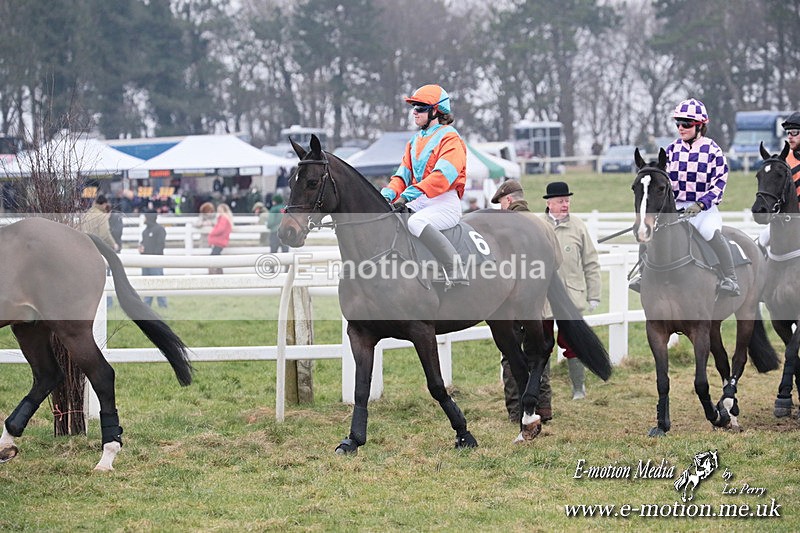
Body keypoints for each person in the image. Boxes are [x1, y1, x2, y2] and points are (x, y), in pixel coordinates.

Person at [630, 98, 738, 296]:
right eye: (678, 123)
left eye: (686, 124)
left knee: (709, 232)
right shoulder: (671, 150)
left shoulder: (713, 151)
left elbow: (719, 185)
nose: (681, 128)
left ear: (700, 125)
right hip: (676, 208)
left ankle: (730, 278)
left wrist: (700, 204)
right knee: (651, 232)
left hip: (703, 210)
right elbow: (662, 181)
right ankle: (643, 273)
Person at [380, 84, 468, 286]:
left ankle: (455, 268)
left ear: (436, 111)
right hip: (420, 201)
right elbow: (402, 176)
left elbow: (441, 177)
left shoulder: (450, 138)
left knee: (414, 222)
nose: (414, 112)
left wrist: (407, 196)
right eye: (414, 107)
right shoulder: (414, 141)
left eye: (420, 108)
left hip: (444, 203)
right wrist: (385, 195)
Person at [490, 179, 562, 422]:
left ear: (508, 200)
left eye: (501, 203)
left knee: (511, 356)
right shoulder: (543, 225)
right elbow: (558, 260)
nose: (501, 208)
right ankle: (543, 408)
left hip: (509, 302)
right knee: (539, 353)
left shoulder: (500, 227)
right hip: (540, 304)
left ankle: (517, 411)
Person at [539, 181, 601, 404]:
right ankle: (542, 388)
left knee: (573, 343)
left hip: (571, 297)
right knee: (542, 343)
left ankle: (578, 388)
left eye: (567, 200)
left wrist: (594, 294)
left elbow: (591, 262)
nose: (565, 204)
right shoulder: (537, 225)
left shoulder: (578, 226)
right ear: (549, 203)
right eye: (560, 201)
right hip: (543, 299)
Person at [757, 111, 800, 249]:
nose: (790, 136)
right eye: (788, 133)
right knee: (761, 241)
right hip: (787, 221)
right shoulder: (784, 162)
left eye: (794, 132)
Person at [139, 210, 167, 308]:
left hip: (155, 262)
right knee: (147, 284)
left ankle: (163, 305)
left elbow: (160, 245)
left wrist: (154, 258)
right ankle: (147, 306)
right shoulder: (145, 231)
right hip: (145, 262)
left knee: (159, 284)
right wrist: (141, 249)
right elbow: (143, 243)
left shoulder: (160, 230)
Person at [208, 203, 233, 274]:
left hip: (219, 241)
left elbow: (220, 229)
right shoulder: (226, 218)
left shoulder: (223, 218)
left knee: (213, 257)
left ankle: (215, 273)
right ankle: (219, 273)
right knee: (217, 257)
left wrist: (212, 233)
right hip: (221, 241)